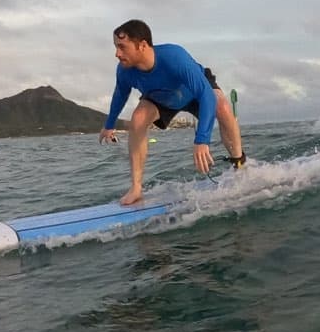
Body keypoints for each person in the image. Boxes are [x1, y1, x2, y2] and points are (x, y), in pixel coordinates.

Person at [98, 18, 245, 205]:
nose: (117, 54)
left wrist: (202, 140)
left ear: (142, 45)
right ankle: (136, 188)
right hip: (161, 97)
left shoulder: (174, 57)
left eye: (122, 47)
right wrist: (109, 125)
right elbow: (120, 95)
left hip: (194, 91)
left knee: (222, 106)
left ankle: (239, 165)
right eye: (116, 47)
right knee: (138, 119)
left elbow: (205, 94)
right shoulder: (124, 71)